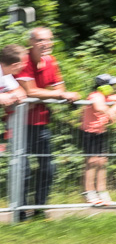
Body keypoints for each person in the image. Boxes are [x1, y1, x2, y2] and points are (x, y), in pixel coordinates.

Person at [15, 27, 79, 221]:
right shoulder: (23, 60)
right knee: (23, 169)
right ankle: (21, 212)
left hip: (41, 123)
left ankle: (39, 209)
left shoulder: (51, 61)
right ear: (31, 42)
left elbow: (60, 86)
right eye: (41, 40)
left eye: (49, 40)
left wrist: (65, 93)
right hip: (19, 124)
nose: (46, 44)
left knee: (48, 168)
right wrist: (58, 94)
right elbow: (30, 91)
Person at [79, 74, 116, 207]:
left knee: (102, 162)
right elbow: (99, 107)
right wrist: (110, 113)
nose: (115, 88)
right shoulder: (96, 95)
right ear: (104, 87)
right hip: (89, 132)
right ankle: (89, 192)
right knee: (92, 162)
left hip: (100, 132)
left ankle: (102, 191)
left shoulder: (106, 97)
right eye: (112, 85)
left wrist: (113, 111)